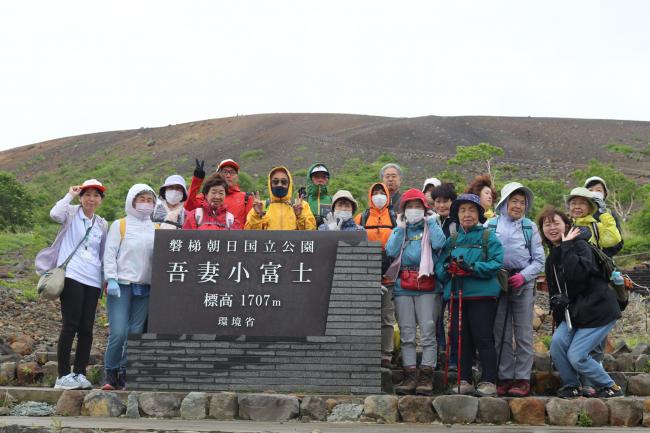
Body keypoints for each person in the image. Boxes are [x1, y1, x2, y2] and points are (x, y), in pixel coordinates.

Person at [538, 206, 623, 398]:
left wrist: (567, 246)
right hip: (575, 314)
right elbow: (556, 291)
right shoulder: (552, 257)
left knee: (577, 357)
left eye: (556, 223)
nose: (551, 228)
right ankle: (571, 385)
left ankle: (610, 386)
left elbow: (578, 276)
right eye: (547, 224)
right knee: (557, 345)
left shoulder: (580, 246)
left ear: (567, 226)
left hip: (597, 310)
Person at [35, 180, 109, 390]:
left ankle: (79, 373)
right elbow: (54, 214)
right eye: (87, 194)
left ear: (100, 200)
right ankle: (62, 375)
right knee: (71, 324)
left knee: (87, 328)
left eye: (96, 195)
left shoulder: (102, 224)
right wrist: (69, 195)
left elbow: (101, 253)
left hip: (93, 279)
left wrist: (104, 281)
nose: (91, 199)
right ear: (81, 197)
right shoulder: (70, 213)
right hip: (72, 275)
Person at [435, 193, 504, 396]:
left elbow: (496, 262)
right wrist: (447, 269)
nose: (467, 214)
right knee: (460, 339)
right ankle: (463, 379)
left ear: (479, 214)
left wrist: (473, 268)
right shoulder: (453, 240)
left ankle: (489, 381)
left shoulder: (487, 236)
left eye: (471, 210)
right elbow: (440, 265)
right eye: (462, 210)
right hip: (457, 296)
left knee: (483, 338)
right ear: (457, 214)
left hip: (482, 296)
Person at [385, 189, 446, 395]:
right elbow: (391, 251)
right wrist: (400, 229)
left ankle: (427, 376)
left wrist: (432, 222)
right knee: (407, 332)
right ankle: (410, 375)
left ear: (424, 208)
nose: (413, 210)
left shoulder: (432, 226)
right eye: (409, 206)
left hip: (428, 284)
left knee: (428, 331)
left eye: (417, 206)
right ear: (403, 210)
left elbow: (439, 244)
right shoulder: (400, 228)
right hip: (403, 285)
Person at [487, 182, 545, 397]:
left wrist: (523, 276)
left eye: (522, 202)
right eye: (514, 201)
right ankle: (504, 377)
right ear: (504, 202)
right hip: (498, 282)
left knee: (523, 333)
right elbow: (486, 254)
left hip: (523, 282)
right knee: (500, 331)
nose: (518, 206)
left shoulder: (530, 227)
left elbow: (539, 260)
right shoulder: (490, 226)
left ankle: (522, 379)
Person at [102, 184, 158, 390]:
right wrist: (111, 278)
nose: (145, 204)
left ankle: (126, 372)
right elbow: (109, 253)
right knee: (118, 332)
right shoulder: (120, 225)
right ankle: (110, 373)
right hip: (122, 286)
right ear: (132, 201)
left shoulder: (156, 228)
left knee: (135, 333)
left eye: (149, 200)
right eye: (141, 199)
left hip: (145, 287)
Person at [354, 183, 398, 369]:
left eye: (382, 193)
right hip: (366, 275)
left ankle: (386, 353)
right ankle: (366, 352)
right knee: (365, 316)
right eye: (375, 193)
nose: (378, 196)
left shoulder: (395, 217)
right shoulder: (361, 217)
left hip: (389, 276)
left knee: (387, 317)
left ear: (388, 196)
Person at [429, 182, 458, 368]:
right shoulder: (431, 221)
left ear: (452, 202)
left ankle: (454, 356)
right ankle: (439, 353)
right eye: (437, 201)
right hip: (433, 277)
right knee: (436, 318)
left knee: (454, 319)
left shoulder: (458, 222)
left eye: (445, 201)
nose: (441, 205)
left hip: (452, 277)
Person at [185, 159, 253, 227]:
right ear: (218, 174)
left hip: (236, 237)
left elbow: (251, 227)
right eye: (225, 172)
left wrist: (258, 215)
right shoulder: (207, 196)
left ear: (237, 176)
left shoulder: (246, 198)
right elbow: (188, 207)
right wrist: (197, 180)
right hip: (206, 237)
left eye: (232, 172)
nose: (228, 175)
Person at [245, 166, 316, 230]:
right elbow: (249, 236)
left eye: (284, 182)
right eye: (275, 182)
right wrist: (257, 216)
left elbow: (311, 233)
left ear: (289, 184)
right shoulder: (260, 206)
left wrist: (300, 216)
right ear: (270, 184)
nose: (279, 184)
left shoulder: (302, 206)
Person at [566, 187, 622, 252]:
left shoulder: (597, 228)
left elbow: (614, 239)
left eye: (582, 203)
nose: (577, 207)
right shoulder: (563, 226)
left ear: (590, 208)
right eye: (573, 203)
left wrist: (604, 213)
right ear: (569, 206)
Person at [583, 176, 624, 257]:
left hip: (603, 262)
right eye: (590, 190)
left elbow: (619, 242)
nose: (594, 192)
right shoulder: (578, 214)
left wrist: (600, 255)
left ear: (605, 194)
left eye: (598, 190)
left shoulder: (609, 215)